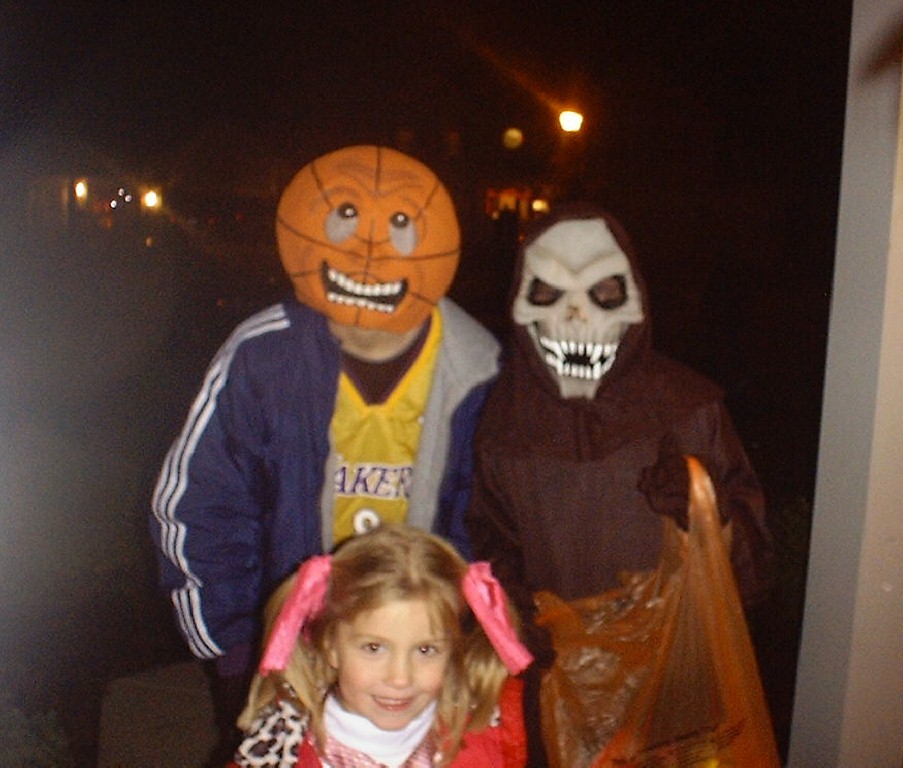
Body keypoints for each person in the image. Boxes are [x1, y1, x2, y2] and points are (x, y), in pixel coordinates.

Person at [150, 145, 501, 762]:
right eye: (346, 218)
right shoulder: (263, 358)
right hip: (289, 648)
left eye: (399, 225)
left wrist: (467, 643)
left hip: (417, 662)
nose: (368, 251)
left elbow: (492, 524)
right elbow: (199, 506)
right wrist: (239, 651)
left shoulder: (478, 369)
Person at [466, 202, 775, 764]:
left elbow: (753, 574)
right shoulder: (504, 426)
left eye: (603, 292)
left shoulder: (689, 411)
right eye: (548, 293)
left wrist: (709, 511)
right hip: (559, 694)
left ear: (636, 299)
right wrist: (514, 618)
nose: (576, 318)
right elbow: (491, 547)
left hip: (679, 695)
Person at [229, 524, 532, 767]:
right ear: (330, 646)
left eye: (425, 650)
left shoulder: (493, 739)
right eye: (373, 648)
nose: (400, 678)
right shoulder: (278, 754)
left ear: (453, 650)